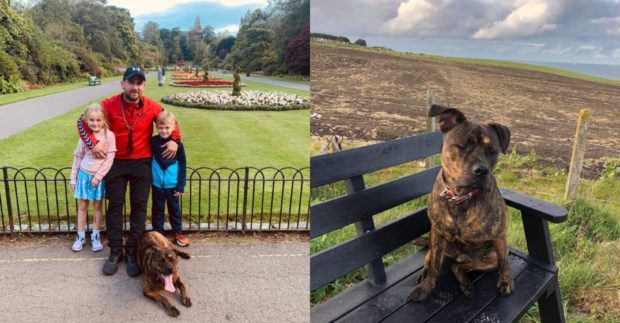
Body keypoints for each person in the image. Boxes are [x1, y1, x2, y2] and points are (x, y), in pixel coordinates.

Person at [77, 66, 181, 277]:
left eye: (139, 83)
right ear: (122, 83)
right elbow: (82, 121)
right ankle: (115, 250)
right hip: (115, 161)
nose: (135, 87)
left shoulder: (152, 106)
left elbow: (171, 122)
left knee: (139, 206)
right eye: (131, 82)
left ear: (143, 85)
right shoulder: (108, 105)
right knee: (115, 205)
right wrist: (93, 143)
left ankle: (132, 249)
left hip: (142, 162)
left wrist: (175, 141)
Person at [70, 104, 116, 252]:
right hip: (84, 175)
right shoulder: (84, 137)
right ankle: (81, 235)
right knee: (82, 207)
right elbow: (78, 157)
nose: (95, 123)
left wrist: (98, 177)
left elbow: (110, 159)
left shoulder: (109, 135)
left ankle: (95, 236)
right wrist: (73, 178)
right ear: (86, 120)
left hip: (99, 178)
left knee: (97, 207)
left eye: (98, 120)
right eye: (91, 120)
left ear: (103, 120)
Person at [151, 111, 189, 246]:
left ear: (173, 128)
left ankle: (178, 232)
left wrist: (180, 185)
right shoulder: (153, 142)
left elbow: (183, 164)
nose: (164, 130)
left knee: (174, 210)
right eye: (161, 127)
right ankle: (158, 234)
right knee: (157, 210)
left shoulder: (178, 145)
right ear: (157, 128)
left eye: (167, 127)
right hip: (157, 184)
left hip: (172, 185)